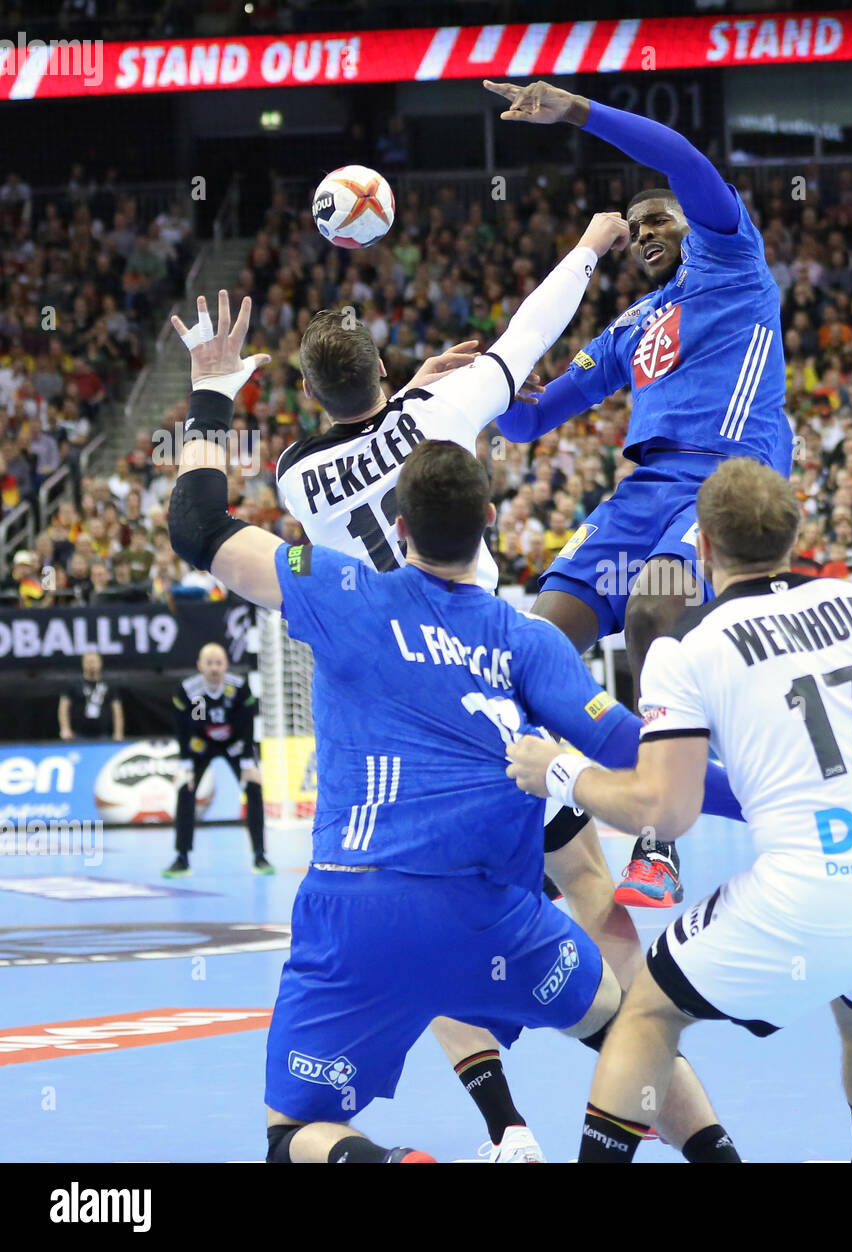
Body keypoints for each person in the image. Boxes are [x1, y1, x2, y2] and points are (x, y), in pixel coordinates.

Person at [166, 290, 739, 1164]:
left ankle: (399, 1161)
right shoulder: (528, 640)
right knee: (630, 1027)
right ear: (493, 528)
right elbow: (636, 751)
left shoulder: (336, 592)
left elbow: (198, 524)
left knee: (294, 1136)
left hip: (356, 913)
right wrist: (767, 794)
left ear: (395, 530)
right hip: (493, 920)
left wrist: (211, 388)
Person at [506, 458, 852, 1162]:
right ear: (795, 533)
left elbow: (665, 809)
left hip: (811, 899)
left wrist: (562, 773)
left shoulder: (687, 649)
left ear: (704, 550)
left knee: (650, 1011)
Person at [484, 79, 793, 908]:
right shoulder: (630, 326)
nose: (650, 231)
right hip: (645, 486)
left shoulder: (734, 258)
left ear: (698, 222)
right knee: (539, 642)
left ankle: (659, 838)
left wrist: (575, 112)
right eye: (640, 227)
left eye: (664, 219)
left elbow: (682, 158)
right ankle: (542, 834)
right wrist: (476, 381)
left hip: (728, 481)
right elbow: (528, 421)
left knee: (657, 610)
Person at [164, 641, 270, 877]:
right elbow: (183, 727)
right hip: (200, 745)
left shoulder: (240, 688)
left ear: (226, 665)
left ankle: (260, 856)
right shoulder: (188, 691)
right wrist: (185, 764)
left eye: (218, 663)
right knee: (184, 789)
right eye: (209, 663)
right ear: (199, 665)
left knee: (254, 787)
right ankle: (182, 858)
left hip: (234, 744)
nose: (214, 668)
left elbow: (247, 725)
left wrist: (246, 762)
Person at [57, 651, 125, 741]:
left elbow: (117, 710)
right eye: (88, 662)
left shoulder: (109, 685)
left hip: (104, 735)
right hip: (78, 735)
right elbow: (63, 708)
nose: (91, 665)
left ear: (100, 663)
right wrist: (65, 729)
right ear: (83, 664)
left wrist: (118, 733)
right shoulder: (74, 684)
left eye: (94, 662)